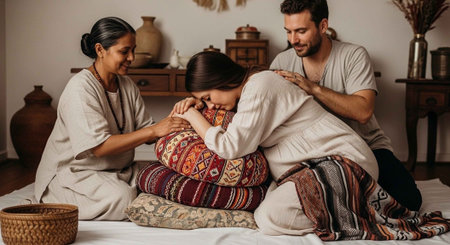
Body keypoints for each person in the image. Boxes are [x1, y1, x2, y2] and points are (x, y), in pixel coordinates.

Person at [171, 51, 379, 235]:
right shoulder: (247, 93)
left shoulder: (259, 86)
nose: (212, 105)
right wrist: (200, 105)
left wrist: (191, 115)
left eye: (208, 97)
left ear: (220, 79)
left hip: (345, 161)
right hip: (318, 166)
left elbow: (230, 146)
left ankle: (355, 211)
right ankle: (346, 207)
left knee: (270, 218)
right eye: (205, 100)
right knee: (268, 211)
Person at [34, 17, 190, 221]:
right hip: (74, 175)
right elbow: (99, 147)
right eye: (125, 51)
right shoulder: (80, 88)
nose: (132, 57)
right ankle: (54, 199)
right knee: (123, 198)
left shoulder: (126, 84)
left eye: (133, 50)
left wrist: (178, 117)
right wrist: (154, 130)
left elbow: (148, 130)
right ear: (100, 50)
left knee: (165, 179)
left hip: (118, 171)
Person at [271, 0, 421, 211]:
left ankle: (347, 199)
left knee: (409, 201)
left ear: (323, 26)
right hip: (314, 153)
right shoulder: (281, 62)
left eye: (301, 31)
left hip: (367, 147)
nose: (293, 40)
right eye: (288, 31)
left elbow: (363, 112)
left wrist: (312, 88)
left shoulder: (354, 55)